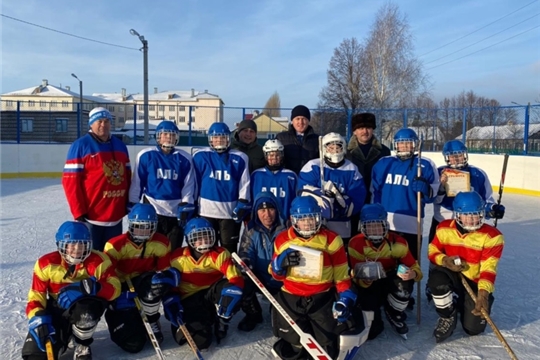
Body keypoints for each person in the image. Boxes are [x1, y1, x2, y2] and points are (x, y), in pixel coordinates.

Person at [269, 196, 357, 360]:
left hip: (321, 296)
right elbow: (276, 276)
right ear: (294, 220)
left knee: (326, 341)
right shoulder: (282, 239)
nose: (308, 223)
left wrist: (345, 297)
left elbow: (341, 276)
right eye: (303, 219)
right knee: (294, 341)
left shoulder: (332, 240)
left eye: (311, 218)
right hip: (291, 294)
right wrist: (278, 264)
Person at [21, 221, 121, 360]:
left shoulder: (99, 261)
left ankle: (82, 343)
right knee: (35, 356)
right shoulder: (45, 264)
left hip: (84, 307)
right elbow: (36, 296)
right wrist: (38, 317)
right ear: (61, 245)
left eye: (82, 244)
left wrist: (95, 287)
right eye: (71, 244)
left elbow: (115, 288)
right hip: (58, 308)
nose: (77, 249)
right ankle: (64, 336)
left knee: (86, 309)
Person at [427, 191, 504, 343]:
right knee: (437, 281)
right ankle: (447, 315)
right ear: (457, 215)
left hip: (474, 281)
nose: (472, 219)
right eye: (467, 215)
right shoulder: (443, 228)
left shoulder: (493, 237)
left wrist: (483, 293)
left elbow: (489, 268)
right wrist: (444, 260)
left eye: (476, 214)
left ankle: (463, 302)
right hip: (451, 274)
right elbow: (432, 250)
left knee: (473, 329)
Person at [103, 203, 179, 352]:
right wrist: (116, 296)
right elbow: (107, 276)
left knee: (157, 285)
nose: (143, 231)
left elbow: (163, 270)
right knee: (133, 344)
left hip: (145, 279)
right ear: (131, 225)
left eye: (148, 227)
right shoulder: (114, 245)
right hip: (122, 284)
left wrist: (170, 293)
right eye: (139, 226)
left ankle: (151, 318)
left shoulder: (162, 242)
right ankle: (128, 316)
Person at [163, 217, 245, 350]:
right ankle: (203, 318)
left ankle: (222, 319)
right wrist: (171, 301)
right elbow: (171, 286)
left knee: (233, 290)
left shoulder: (219, 253)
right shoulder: (178, 258)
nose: (204, 242)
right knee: (200, 342)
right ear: (190, 240)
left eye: (207, 237)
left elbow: (235, 277)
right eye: (199, 238)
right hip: (189, 298)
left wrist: (234, 290)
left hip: (211, 294)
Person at [348, 204, 422, 340]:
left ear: (385, 224)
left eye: (378, 225)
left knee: (403, 285)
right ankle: (372, 311)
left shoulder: (398, 242)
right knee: (373, 331)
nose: (374, 229)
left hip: (389, 279)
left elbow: (416, 268)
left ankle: (394, 311)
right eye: (370, 226)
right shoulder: (355, 243)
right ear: (362, 226)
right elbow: (354, 275)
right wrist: (365, 281)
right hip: (370, 283)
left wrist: (413, 274)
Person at [62, 107, 131, 251]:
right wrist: (78, 211)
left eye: (107, 121)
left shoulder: (120, 146)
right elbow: (70, 182)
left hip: (115, 216)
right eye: (99, 121)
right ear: (91, 124)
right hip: (92, 216)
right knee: (93, 258)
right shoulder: (81, 145)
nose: (103, 125)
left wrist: (127, 203)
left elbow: (127, 177)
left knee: (113, 257)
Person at [370, 128, 439, 262]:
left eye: (408, 142)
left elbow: (433, 195)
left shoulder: (425, 164)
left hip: (413, 222)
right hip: (386, 222)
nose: (405, 146)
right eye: (401, 143)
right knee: (385, 262)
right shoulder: (384, 163)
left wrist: (426, 189)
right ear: (395, 144)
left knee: (410, 263)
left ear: (415, 144)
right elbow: (374, 191)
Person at [129, 120, 197, 250]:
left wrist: (187, 203)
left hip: (175, 210)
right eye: (165, 134)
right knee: (151, 247)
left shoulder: (185, 158)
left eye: (172, 135)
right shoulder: (145, 155)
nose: (169, 138)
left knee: (173, 248)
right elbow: (137, 181)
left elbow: (188, 184)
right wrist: (133, 202)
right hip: (152, 206)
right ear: (158, 136)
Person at [429, 139, 505, 243]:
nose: (456, 159)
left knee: (468, 257)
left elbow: (487, 199)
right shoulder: (439, 173)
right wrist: (441, 187)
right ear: (446, 157)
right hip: (443, 222)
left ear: (465, 154)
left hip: (469, 224)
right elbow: (434, 200)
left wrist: (493, 208)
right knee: (437, 256)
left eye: (459, 155)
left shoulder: (478, 174)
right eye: (452, 156)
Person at [192, 122, 251, 254]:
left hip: (229, 212)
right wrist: (192, 203)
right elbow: (194, 183)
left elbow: (244, 183)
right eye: (216, 137)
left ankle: (228, 274)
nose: (219, 141)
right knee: (206, 248)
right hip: (206, 211)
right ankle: (209, 274)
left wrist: (243, 202)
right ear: (210, 139)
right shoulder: (200, 156)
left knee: (229, 250)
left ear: (228, 139)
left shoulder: (240, 157)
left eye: (222, 137)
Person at [298, 132, 366, 246]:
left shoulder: (352, 169)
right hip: (316, 223)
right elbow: (303, 192)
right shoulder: (313, 166)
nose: (334, 151)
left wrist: (341, 203)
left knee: (339, 252)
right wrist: (321, 196)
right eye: (331, 147)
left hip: (342, 224)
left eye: (337, 147)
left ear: (343, 148)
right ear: (324, 149)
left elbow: (358, 196)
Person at [237, 191, 286, 332]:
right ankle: (253, 314)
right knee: (243, 280)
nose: (267, 214)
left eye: (271, 209)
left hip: (282, 279)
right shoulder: (251, 229)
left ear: (277, 209)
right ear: (256, 212)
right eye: (262, 210)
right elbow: (246, 251)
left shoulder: (286, 229)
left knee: (279, 321)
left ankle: (277, 308)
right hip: (260, 277)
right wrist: (246, 262)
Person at [346, 113, 391, 237]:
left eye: (368, 128)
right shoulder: (346, 152)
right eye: (360, 128)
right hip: (353, 199)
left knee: (375, 235)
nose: (365, 131)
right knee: (353, 236)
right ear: (354, 131)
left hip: (375, 199)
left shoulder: (384, 151)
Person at [250, 139, 298, 221]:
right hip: (262, 221)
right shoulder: (256, 175)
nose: (274, 158)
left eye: (277, 155)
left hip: (284, 222)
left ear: (282, 156)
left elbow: (296, 200)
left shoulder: (291, 176)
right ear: (265, 156)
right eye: (271, 155)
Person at [276, 105, 319, 174]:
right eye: (297, 119)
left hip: (309, 179)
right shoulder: (281, 138)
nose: (301, 122)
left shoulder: (317, 140)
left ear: (308, 121)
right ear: (292, 121)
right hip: (288, 178)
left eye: (304, 119)